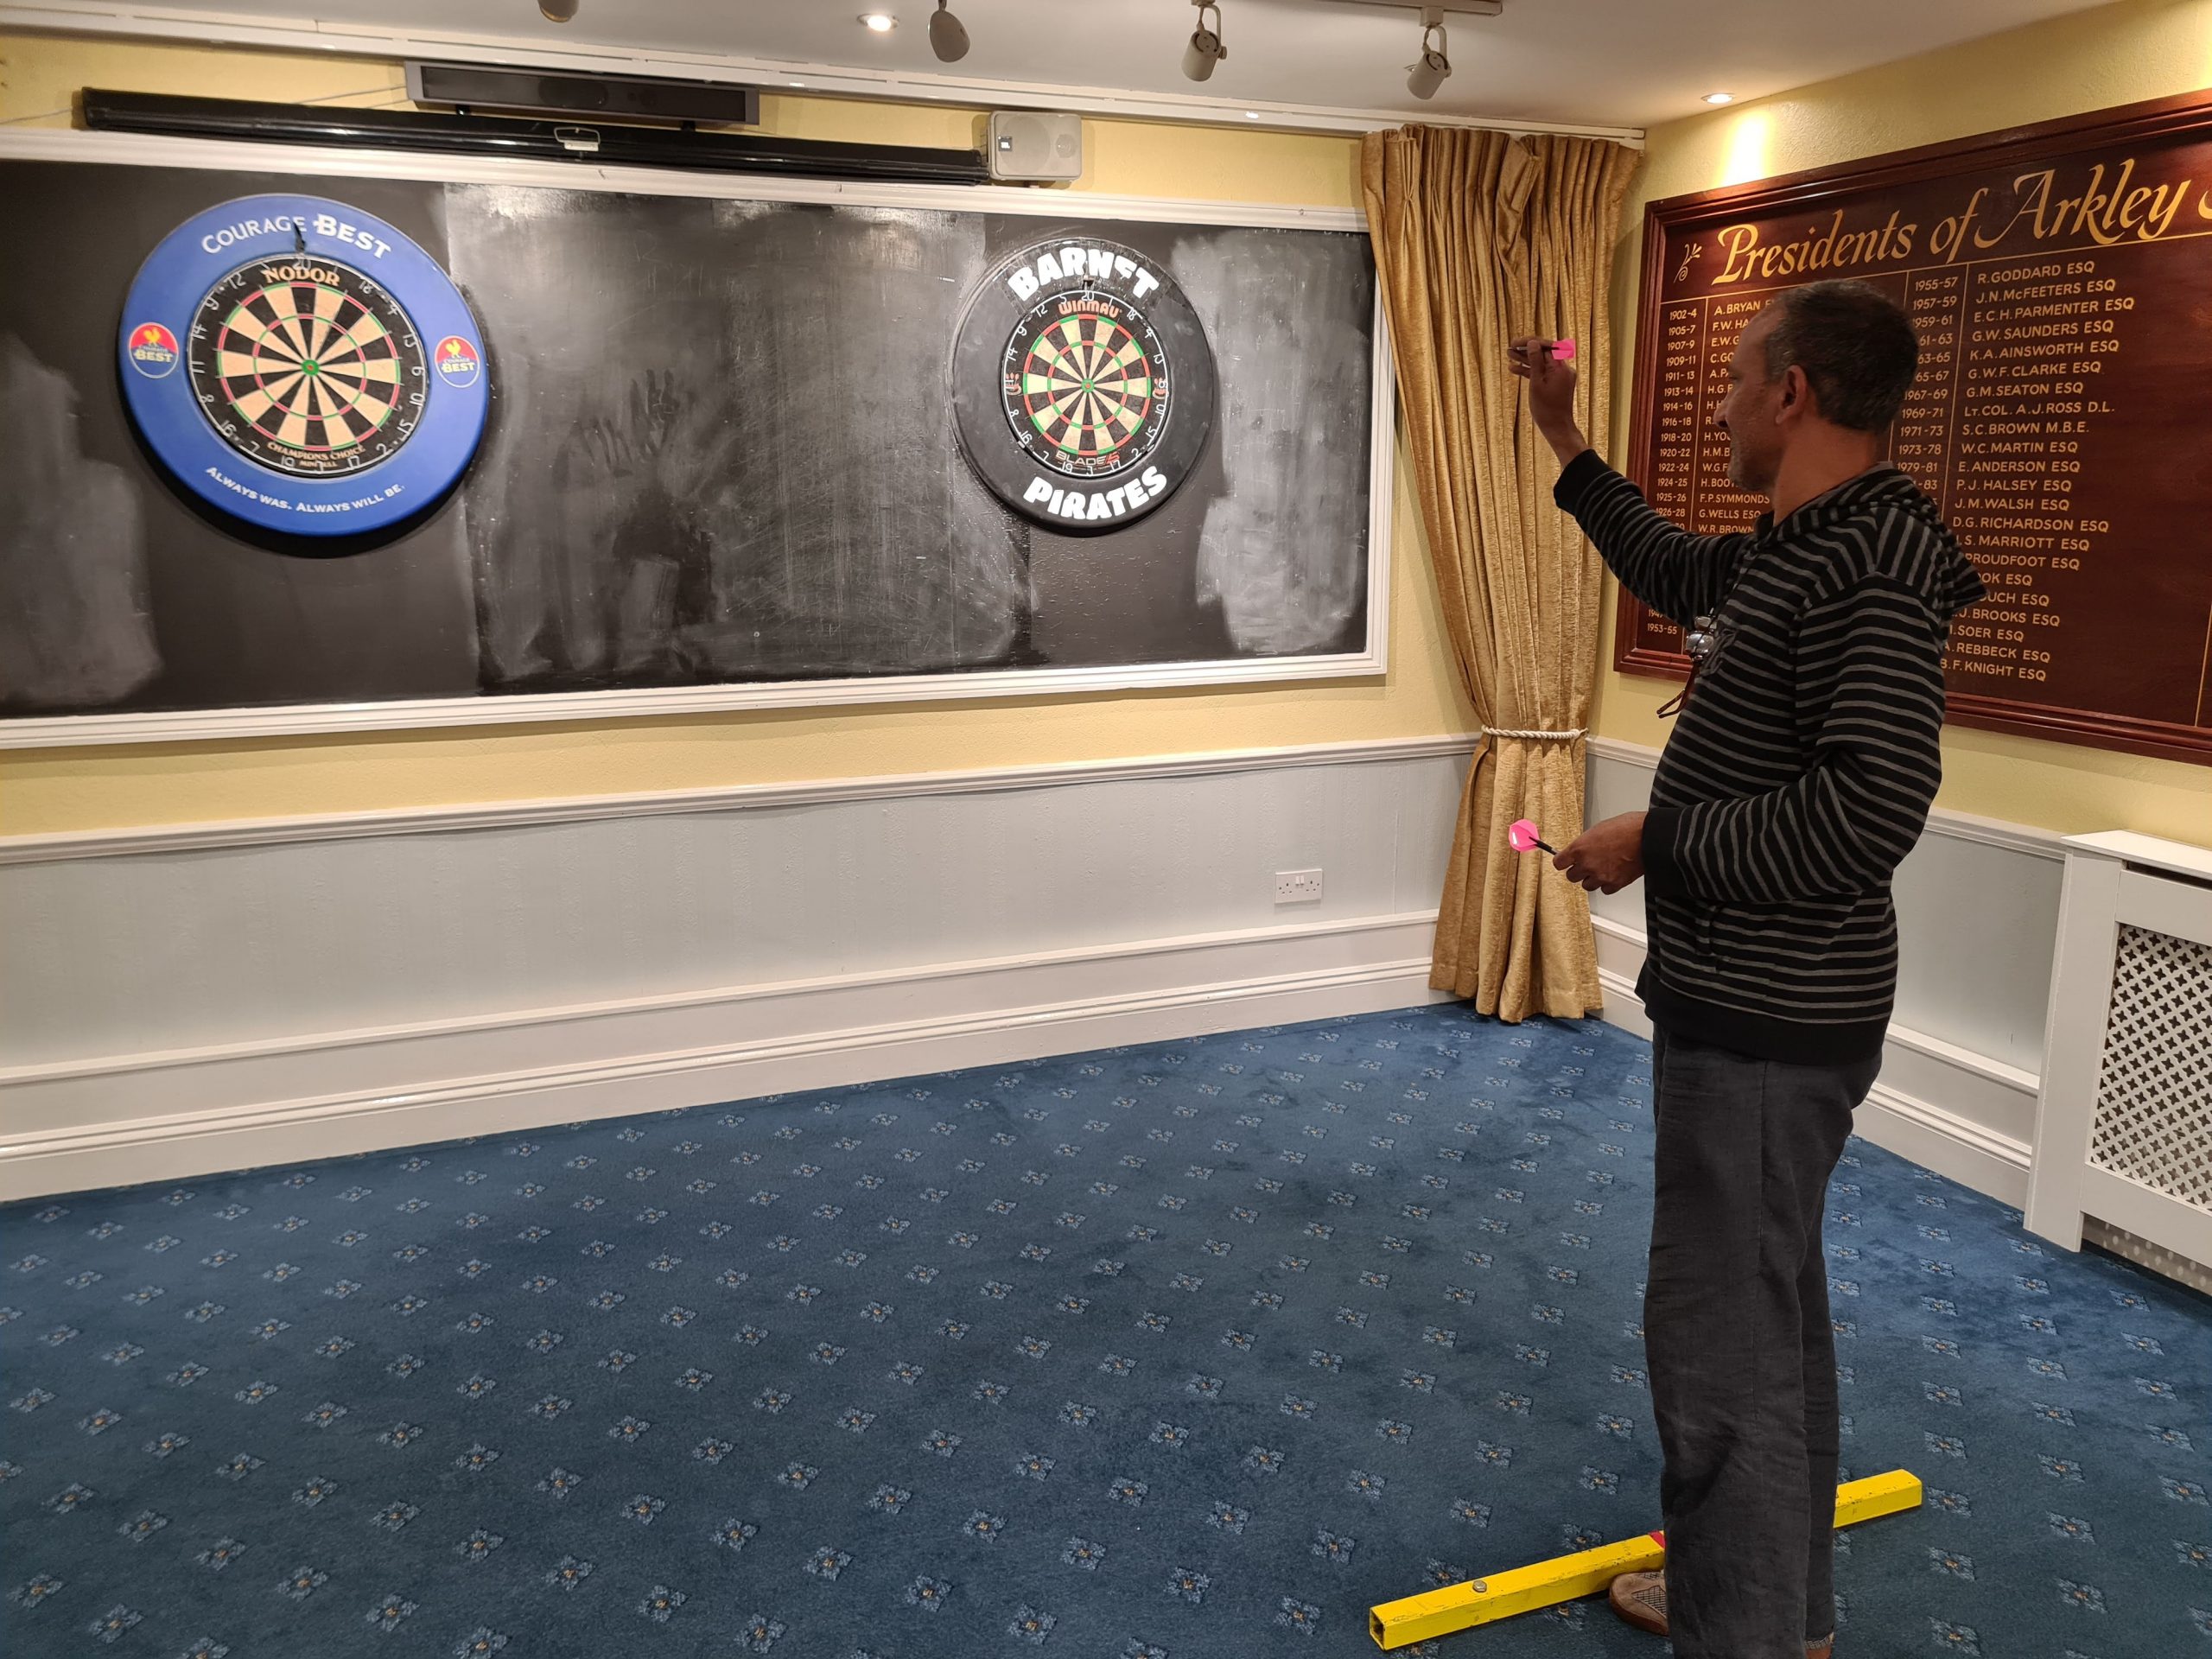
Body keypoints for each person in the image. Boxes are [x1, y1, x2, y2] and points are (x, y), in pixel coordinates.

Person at [1508, 280, 1985, 1659]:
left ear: (1795, 395)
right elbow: (1666, 562)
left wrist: (1656, 838)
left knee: (1720, 1348)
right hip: (1749, 1008)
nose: (1716, 406)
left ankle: (1748, 1628)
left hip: (1777, 1028)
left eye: (1731, 382)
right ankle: (1769, 1597)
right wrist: (1563, 436)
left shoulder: (1876, 563)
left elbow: (1866, 812)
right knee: (1767, 1319)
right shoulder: (1801, 541)